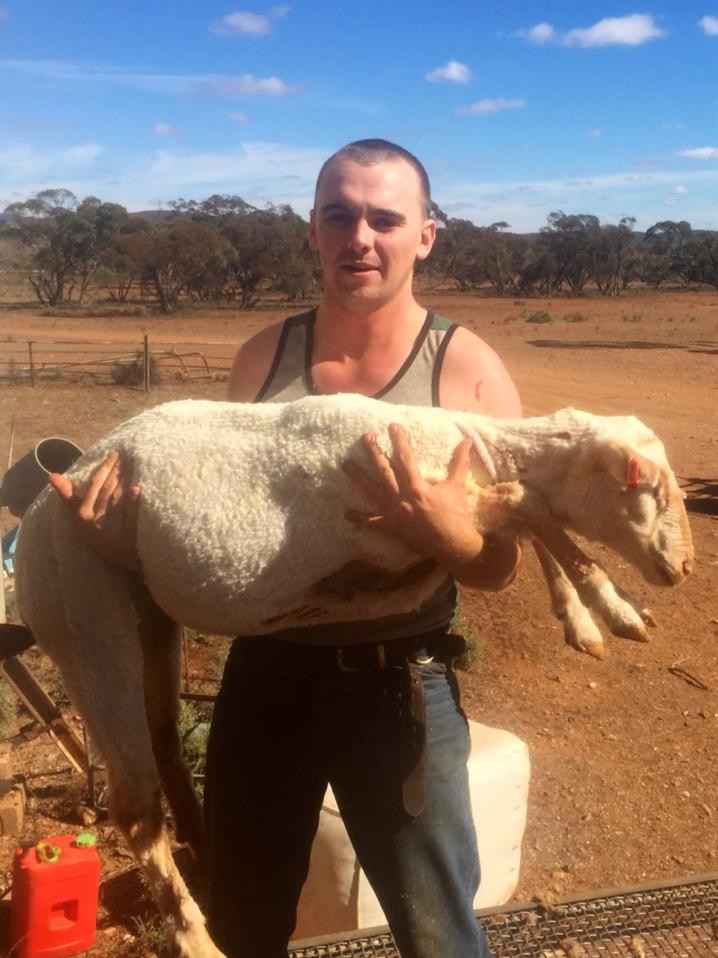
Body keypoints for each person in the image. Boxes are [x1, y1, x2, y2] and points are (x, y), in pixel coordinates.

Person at [53, 139, 522, 958]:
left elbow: (499, 568)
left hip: (401, 688)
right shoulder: (263, 359)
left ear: (426, 237)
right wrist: (118, 543)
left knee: (439, 932)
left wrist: (445, 532)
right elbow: (216, 541)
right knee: (245, 918)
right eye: (339, 216)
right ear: (313, 230)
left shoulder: (468, 374)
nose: (360, 237)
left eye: (385, 218)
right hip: (265, 680)